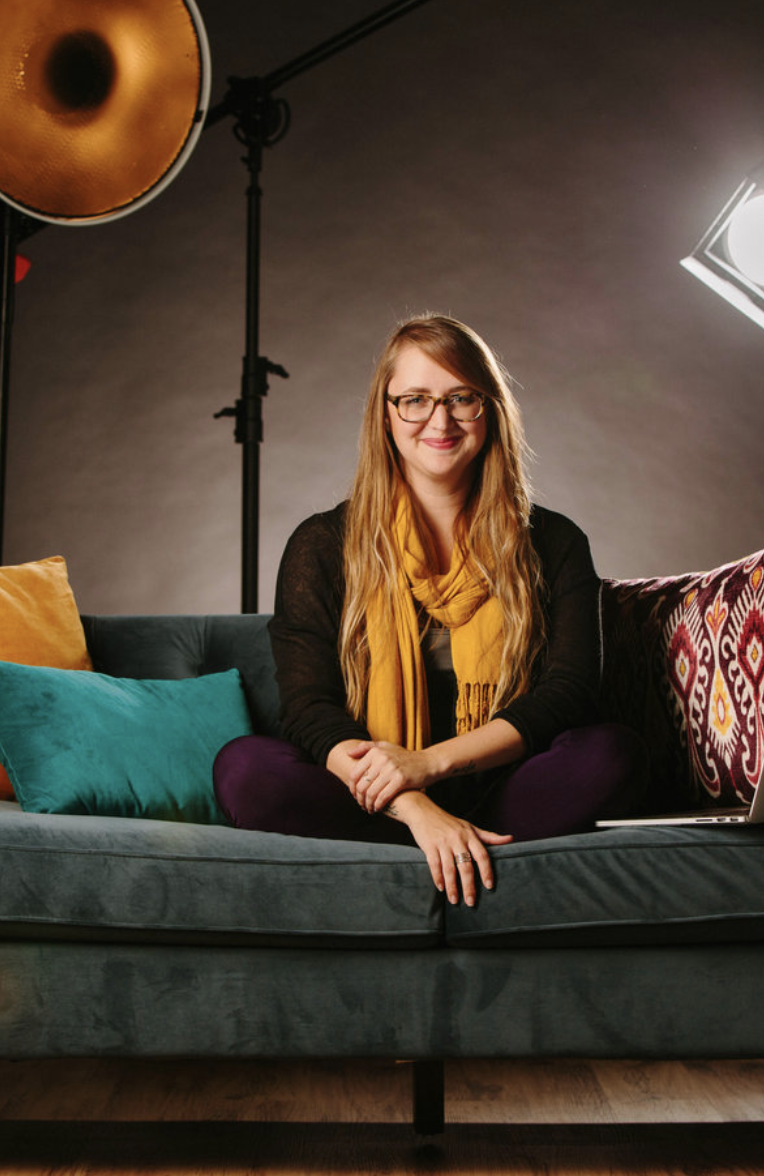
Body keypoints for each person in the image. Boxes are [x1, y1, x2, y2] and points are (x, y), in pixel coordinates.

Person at [213, 314, 646, 907]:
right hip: (374, 802)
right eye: (414, 400)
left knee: (608, 752)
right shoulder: (323, 544)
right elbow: (310, 710)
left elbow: (567, 693)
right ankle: (444, 846)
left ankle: (440, 847)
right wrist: (416, 809)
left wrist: (428, 764)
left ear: (488, 409)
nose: (438, 421)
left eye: (460, 398)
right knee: (246, 767)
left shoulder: (554, 541)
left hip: (503, 789)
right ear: (385, 413)